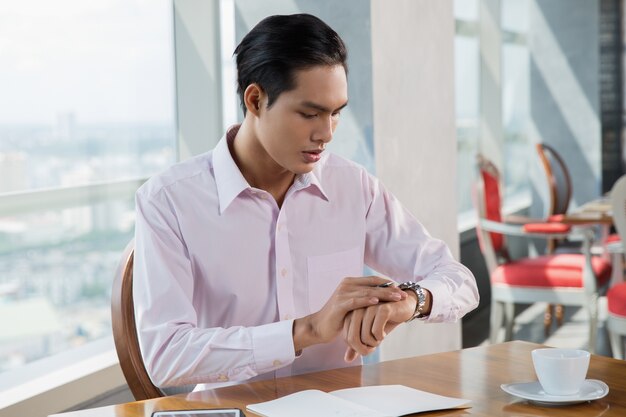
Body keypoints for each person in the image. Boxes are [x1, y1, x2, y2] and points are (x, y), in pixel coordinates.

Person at [133, 13, 479, 392]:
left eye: (336, 114)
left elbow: (459, 281)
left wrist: (410, 301)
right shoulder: (168, 201)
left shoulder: (352, 186)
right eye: (309, 113)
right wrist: (306, 330)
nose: (326, 133)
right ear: (255, 99)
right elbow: (166, 357)